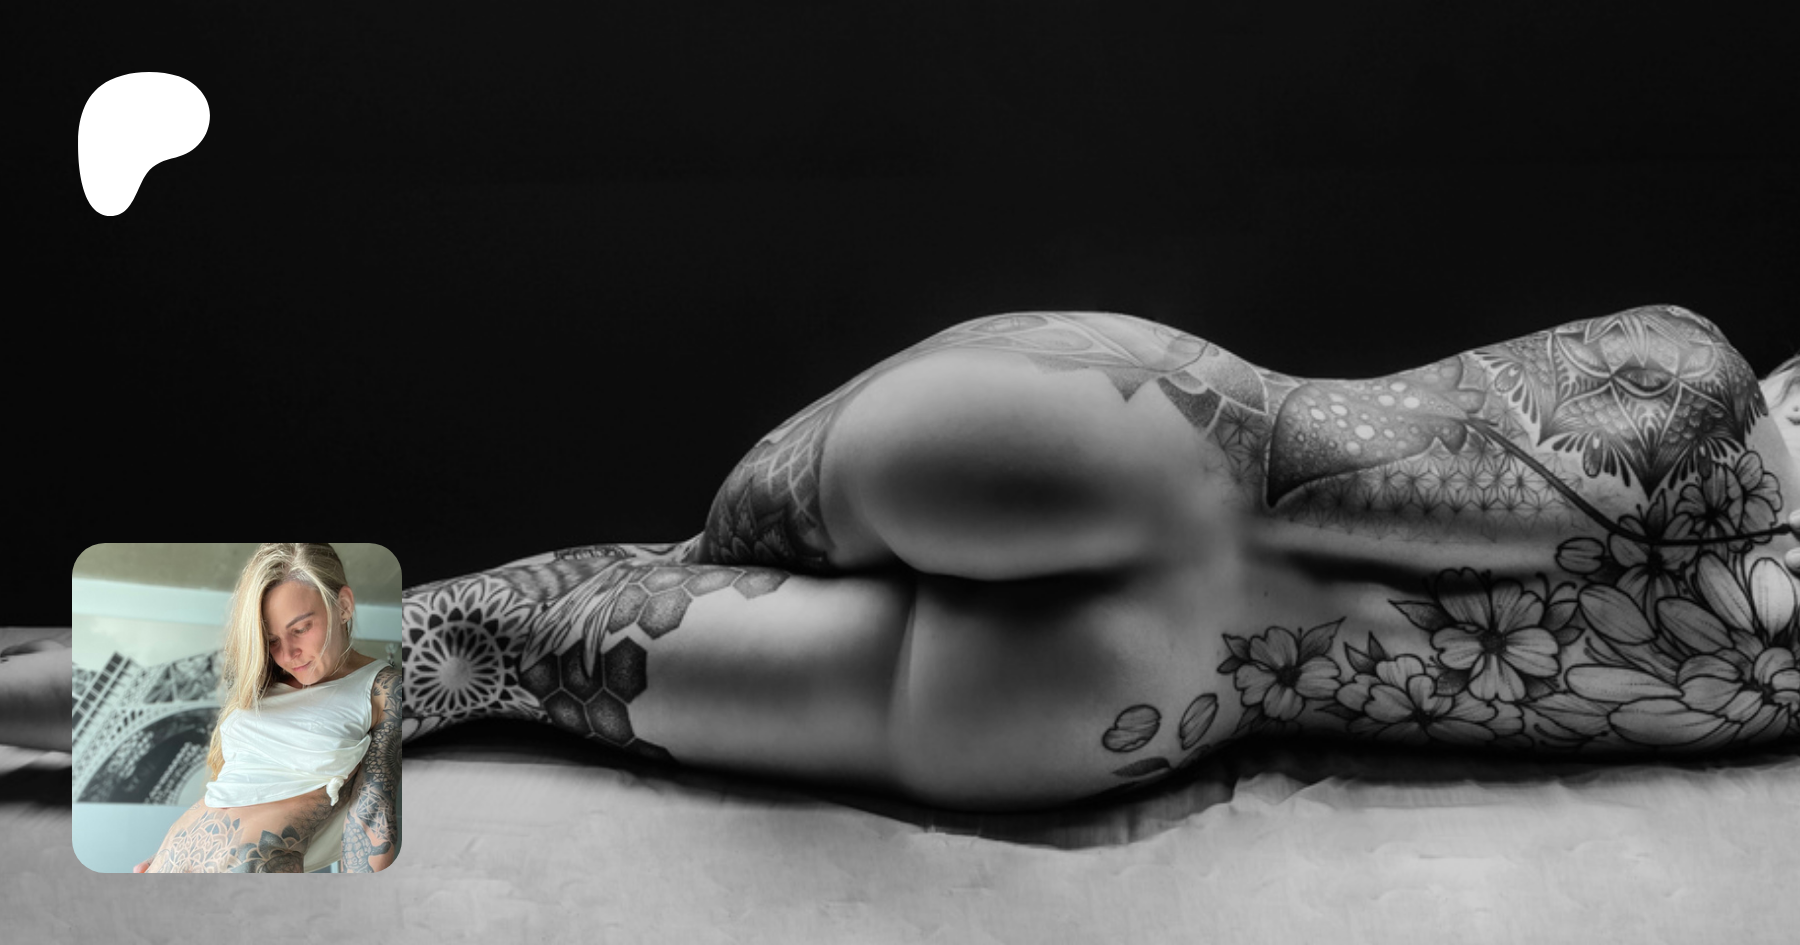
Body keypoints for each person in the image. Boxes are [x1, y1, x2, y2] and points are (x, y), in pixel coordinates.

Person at [394, 305, 1800, 811]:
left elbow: (1336, 469)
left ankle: (257, 738)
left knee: (495, 622)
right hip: (1134, 700)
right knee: (504, 651)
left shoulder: (1690, 386)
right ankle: (277, 747)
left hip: (1139, 440)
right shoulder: (1769, 680)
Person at [128, 544, 402, 872]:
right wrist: (166, 855)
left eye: (300, 629)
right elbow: (236, 785)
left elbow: (371, 820)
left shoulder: (384, 688)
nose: (287, 654)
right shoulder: (263, 684)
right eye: (272, 640)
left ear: (343, 606)